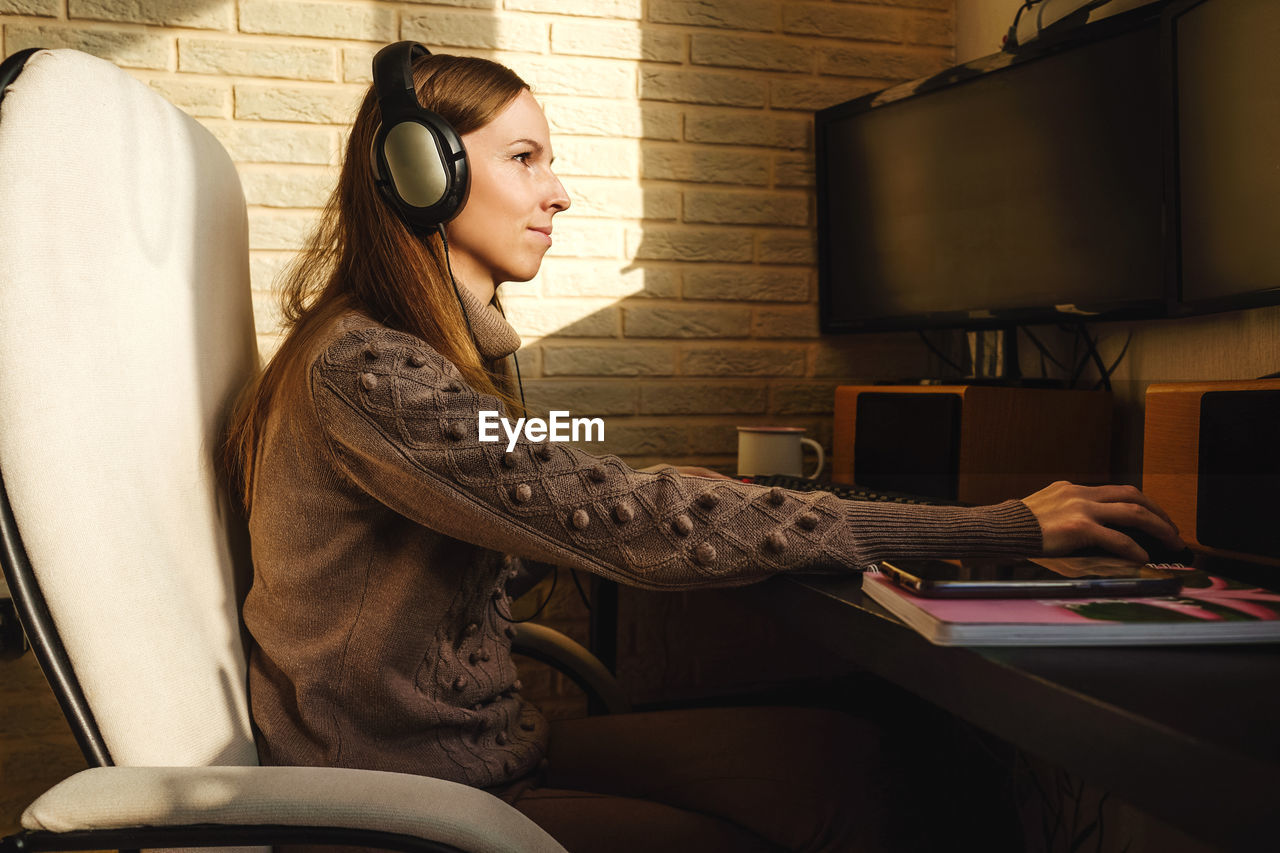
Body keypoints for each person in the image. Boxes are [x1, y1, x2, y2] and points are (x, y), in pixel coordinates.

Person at [223, 42, 1186, 853]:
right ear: (423, 172)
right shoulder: (370, 369)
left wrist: (672, 481)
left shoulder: (417, 356)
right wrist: (1002, 521)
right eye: (525, 158)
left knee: (857, 758)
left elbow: (562, 467)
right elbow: (623, 515)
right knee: (861, 798)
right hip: (408, 803)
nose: (557, 192)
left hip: (484, 756)